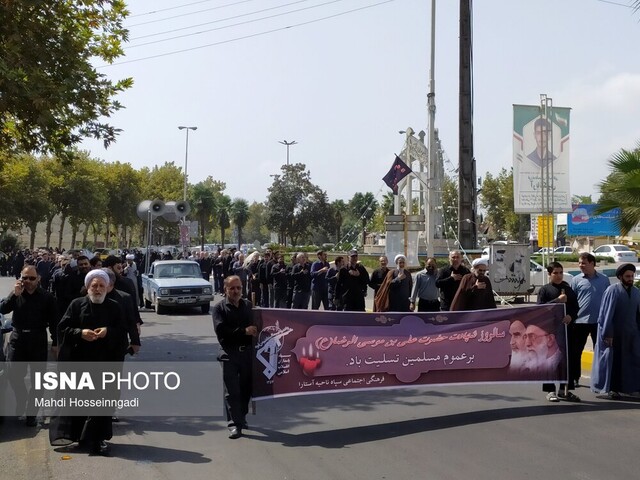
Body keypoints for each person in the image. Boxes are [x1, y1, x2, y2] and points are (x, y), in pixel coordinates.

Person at [49, 269, 124, 456]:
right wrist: (80, 333)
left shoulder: (115, 307)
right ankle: (78, 437)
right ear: (88, 287)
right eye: (94, 286)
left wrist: (108, 331)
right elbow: (63, 328)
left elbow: (123, 333)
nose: (97, 289)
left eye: (101, 286)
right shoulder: (76, 305)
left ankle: (98, 440)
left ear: (107, 287)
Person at [0, 265, 57, 425]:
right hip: (18, 339)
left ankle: (32, 413)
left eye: (32, 278)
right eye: (25, 278)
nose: (28, 281)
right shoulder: (16, 294)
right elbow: (3, 309)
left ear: (38, 278)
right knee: (14, 375)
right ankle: (22, 398)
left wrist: (56, 343)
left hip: (37, 338)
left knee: (39, 380)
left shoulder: (47, 297)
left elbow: (54, 322)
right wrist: (14, 294)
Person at [212, 275, 257, 439]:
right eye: (232, 288)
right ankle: (234, 424)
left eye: (238, 288)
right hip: (228, 354)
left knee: (246, 389)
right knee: (231, 392)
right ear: (225, 289)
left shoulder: (249, 306)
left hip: (247, 354)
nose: (236, 291)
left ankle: (241, 417)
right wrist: (244, 331)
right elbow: (222, 333)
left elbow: (258, 327)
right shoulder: (219, 309)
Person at [591, 263, 640, 399]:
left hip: (631, 334)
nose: (630, 279)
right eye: (627, 276)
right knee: (613, 362)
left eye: (632, 276)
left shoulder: (636, 292)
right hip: (614, 335)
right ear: (620, 277)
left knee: (631, 361)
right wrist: (608, 333)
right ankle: (612, 388)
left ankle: (629, 388)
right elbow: (606, 314)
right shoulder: (612, 290)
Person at [537, 262, 580, 402]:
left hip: (567, 331)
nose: (559, 275)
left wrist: (571, 316)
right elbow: (540, 310)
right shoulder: (545, 290)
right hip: (551, 331)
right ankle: (550, 391)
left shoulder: (567, 288)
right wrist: (557, 301)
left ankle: (564, 390)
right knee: (550, 361)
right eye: (555, 273)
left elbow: (575, 307)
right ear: (549, 274)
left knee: (567, 361)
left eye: (561, 272)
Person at [569, 252, 610, 386]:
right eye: (580, 263)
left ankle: (601, 379)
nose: (581, 265)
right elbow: (571, 300)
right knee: (576, 352)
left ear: (592, 264)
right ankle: (575, 378)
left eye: (584, 263)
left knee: (601, 352)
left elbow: (608, 300)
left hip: (598, 322)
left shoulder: (604, 280)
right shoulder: (576, 280)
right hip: (580, 322)